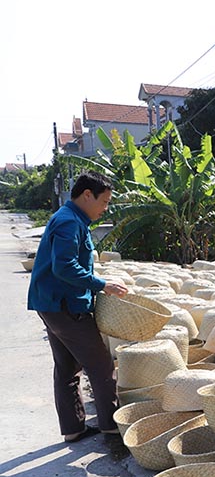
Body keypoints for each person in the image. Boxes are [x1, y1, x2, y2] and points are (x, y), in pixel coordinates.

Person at [27, 171, 129, 442]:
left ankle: (73, 429)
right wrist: (101, 284)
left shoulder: (70, 219)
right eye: (104, 202)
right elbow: (65, 266)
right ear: (87, 195)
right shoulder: (69, 222)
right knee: (101, 365)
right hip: (64, 305)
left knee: (67, 367)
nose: (105, 208)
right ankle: (111, 426)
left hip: (51, 304)